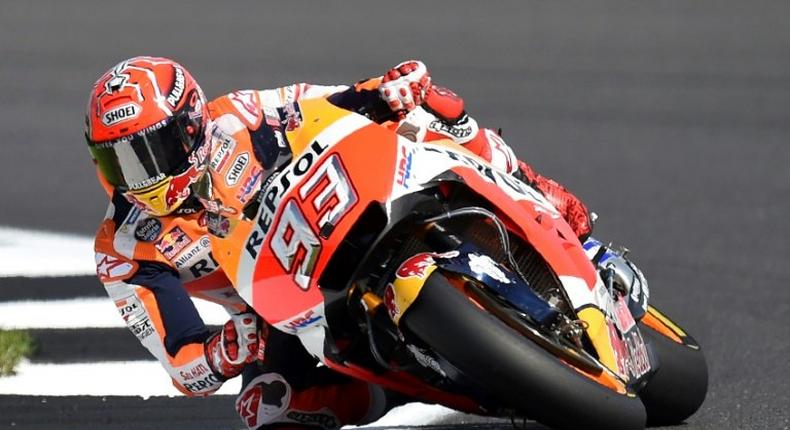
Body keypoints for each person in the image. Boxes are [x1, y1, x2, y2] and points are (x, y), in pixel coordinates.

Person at [85, 56, 646, 429]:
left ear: (189, 125)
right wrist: (232, 343)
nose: (139, 176)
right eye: (118, 160)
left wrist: (386, 88)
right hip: (290, 311)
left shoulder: (240, 116)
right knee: (266, 410)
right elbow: (182, 364)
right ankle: (405, 389)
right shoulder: (124, 250)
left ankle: (551, 206)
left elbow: (330, 102)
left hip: (351, 208)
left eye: (147, 153)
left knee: (438, 110)